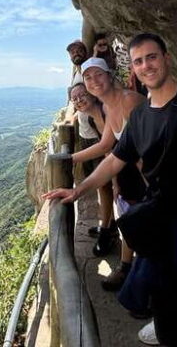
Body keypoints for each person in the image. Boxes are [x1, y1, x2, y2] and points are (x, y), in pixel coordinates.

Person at [44, 33, 177, 347]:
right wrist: (78, 190)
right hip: (162, 232)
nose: (146, 65)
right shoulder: (142, 116)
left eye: (152, 57)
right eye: (139, 60)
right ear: (134, 67)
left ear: (167, 58)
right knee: (170, 316)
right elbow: (115, 159)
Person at [71, 57, 146, 289]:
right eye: (88, 77)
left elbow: (147, 150)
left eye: (98, 75)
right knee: (133, 228)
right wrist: (69, 159)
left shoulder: (129, 101)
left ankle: (139, 284)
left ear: (110, 75)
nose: (94, 81)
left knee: (146, 235)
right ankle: (129, 273)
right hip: (132, 181)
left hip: (149, 181)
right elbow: (106, 147)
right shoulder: (109, 107)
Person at [68, 82, 115, 254]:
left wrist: (69, 159)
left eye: (82, 95)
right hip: (116, 159)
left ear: (93, 94)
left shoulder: (105, 111)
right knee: (103, 188)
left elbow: (106, 146)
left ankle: (109, 232)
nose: (79, 100)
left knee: (111, 191)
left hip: (129, 162)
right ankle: (108, 225)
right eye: (74, 99)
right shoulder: (90, 117)